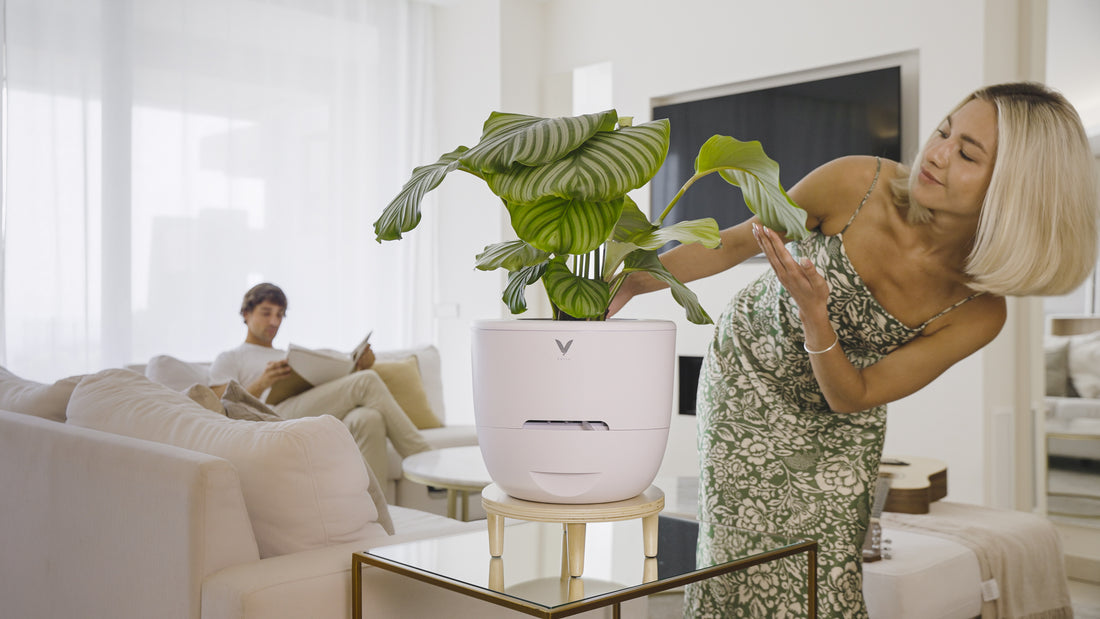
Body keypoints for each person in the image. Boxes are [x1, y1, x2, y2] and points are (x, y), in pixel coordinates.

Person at [609, 82, 1098, 618]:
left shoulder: (979, 311)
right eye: (944, 132)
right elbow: (731, 243)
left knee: (827, 573)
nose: (936, 154)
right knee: (736, 558)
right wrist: (633, 282)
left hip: (840, 416)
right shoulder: (856, 182)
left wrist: (815, 314)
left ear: (1014, 189)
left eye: (967, 153)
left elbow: (853, 396)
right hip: (748, 380)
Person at [210, 283, 430, 482]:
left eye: (279, 315)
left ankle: (377, 516)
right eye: (266, 313)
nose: (274, 322)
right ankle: (426, 459)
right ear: (246, 314)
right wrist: (262, 383)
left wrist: (359, 366)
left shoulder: (286, 355)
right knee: (366, 382)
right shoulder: (231, 357)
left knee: (368, 418)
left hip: (307, 410)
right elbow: (216, 404)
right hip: (272, 417)